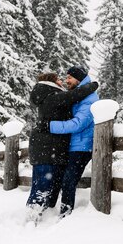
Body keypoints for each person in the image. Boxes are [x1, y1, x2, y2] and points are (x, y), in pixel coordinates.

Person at [26, 72, 98, 218]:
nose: (63, 82)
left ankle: (41, 215)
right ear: (51, 82)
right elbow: (75, 95)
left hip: (46, 149)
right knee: (42, 188)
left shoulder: (47, 95)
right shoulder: (52, 97)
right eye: (59, 79)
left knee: (46, 186)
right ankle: (31, 218)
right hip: (46, 149)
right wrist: (93, 85)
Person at [47, 65, 99, 216]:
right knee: (61, 179)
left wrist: (50, 126)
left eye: (69, 77)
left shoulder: (89, 99)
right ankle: (55, 212)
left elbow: (78, 124)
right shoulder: (79, 95)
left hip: (82, 147)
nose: (66, 80)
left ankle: (65, 215)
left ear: (79, 79)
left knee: (68, 182)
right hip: (74, 145)